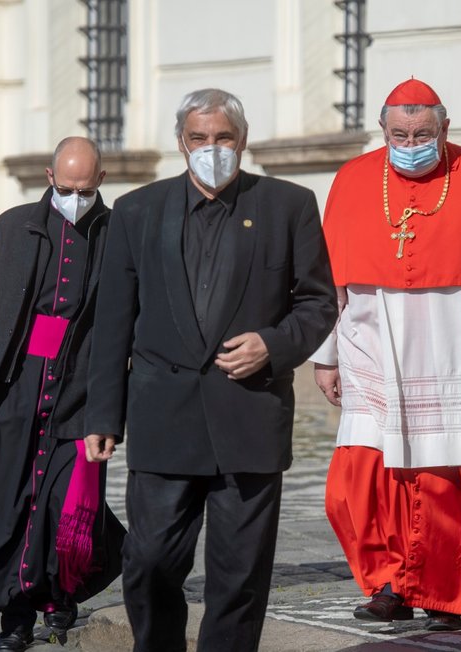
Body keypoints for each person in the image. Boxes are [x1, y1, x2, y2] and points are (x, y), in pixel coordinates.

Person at [84, 88, 337, 652]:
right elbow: (113, 320)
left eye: (223, 137)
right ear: (181, 143)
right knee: (147, 563)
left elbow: (319, 301)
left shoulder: (288, 205)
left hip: (248, 417)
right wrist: (103, 413)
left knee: (239, 579)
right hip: (162, 420)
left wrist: (272, 345)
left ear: (241, 141)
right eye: (199, 138)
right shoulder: (137, 211)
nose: (212, 148)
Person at [312, 78, 461, 633]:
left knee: (444, 479)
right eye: (400, 133)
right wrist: (326, 356)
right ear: (383, 129)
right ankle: (387, 582)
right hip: (371, 348)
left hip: (454, 346)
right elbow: (330, 283)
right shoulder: (352, 180)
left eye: (423, 133)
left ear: (445, 128)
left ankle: (445, 590)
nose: (411, 142)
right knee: (357, 482)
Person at [0, 137, 125, 652]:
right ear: (50, 177)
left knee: (70, 505)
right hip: (19, 383)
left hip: (84, 387)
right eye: (67, 188)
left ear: (101, 180)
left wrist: (113, 408)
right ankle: (17, 618)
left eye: (86, 189)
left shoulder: (118, 232)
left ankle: (62, 594)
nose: (76, 197)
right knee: (14, 501)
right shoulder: (15, 224)